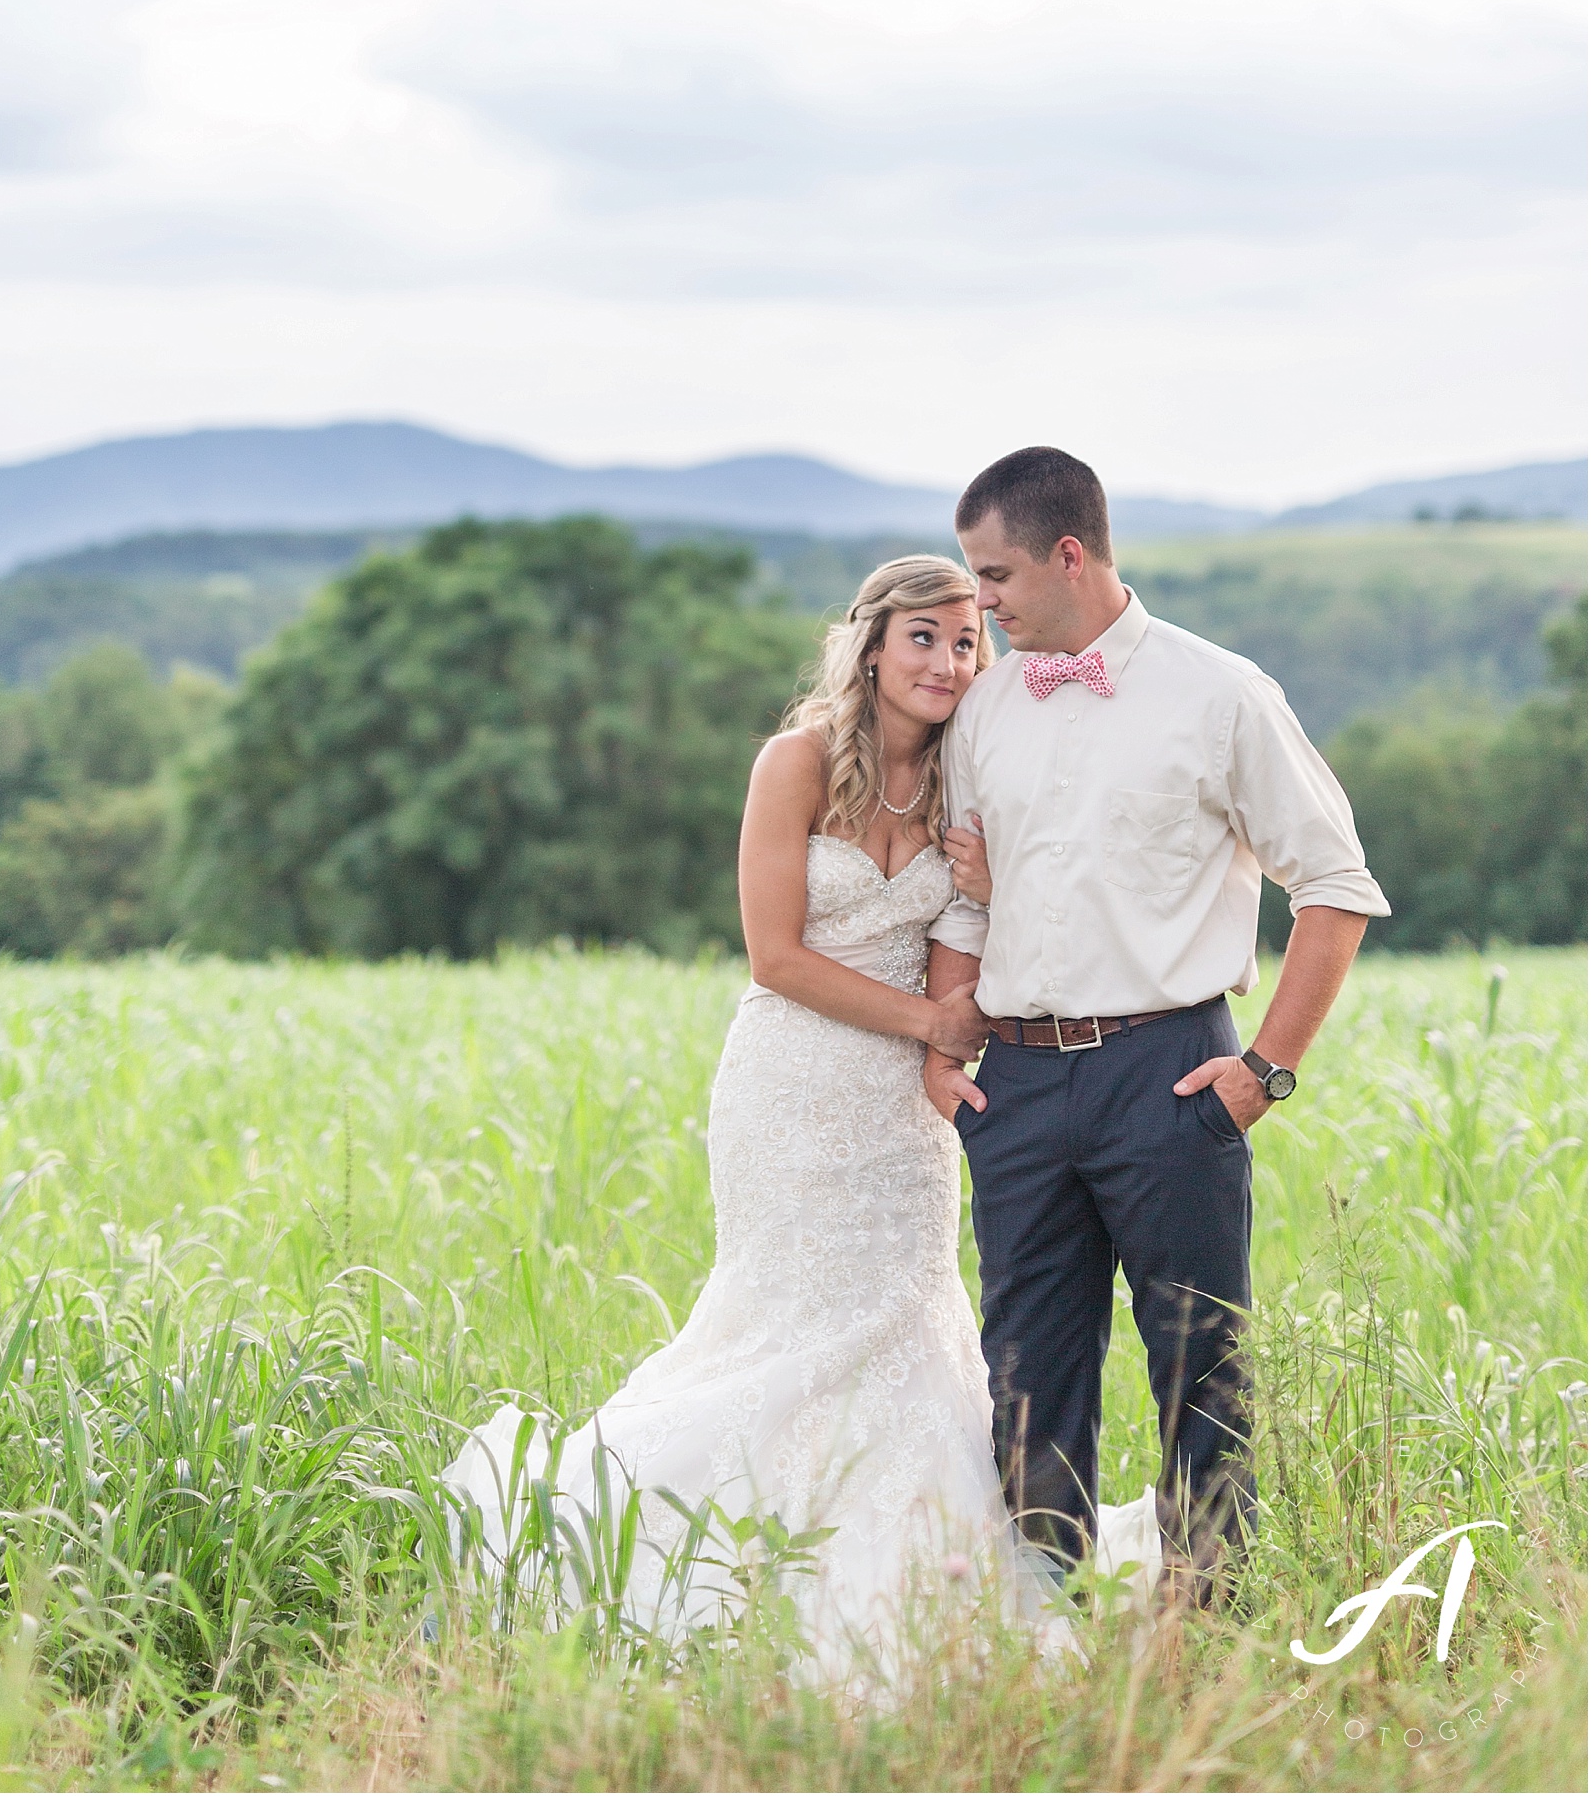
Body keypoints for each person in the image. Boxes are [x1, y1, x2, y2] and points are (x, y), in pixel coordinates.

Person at [446, 553, 1152, 1671]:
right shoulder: (797, 764)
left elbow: (955, 975)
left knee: (902, 1322)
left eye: (968, 640)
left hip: (900, 1120)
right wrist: (927, 1024)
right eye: (925, 636)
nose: (949, 660)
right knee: (786, 1319)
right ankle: (700, 1552)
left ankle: (926, 1577)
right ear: (872, 644)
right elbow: (775, 955)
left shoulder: (969, 788)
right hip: (789, 1089)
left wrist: (981, 885)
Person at [924, 446, 1389, 1593]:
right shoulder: (987, 707)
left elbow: (1335, 886)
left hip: (1171, 1075)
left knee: (1202, 1364)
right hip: (1017, 1086)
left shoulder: (1222, 694)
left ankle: (1210, 1618)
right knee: (1027, 1366)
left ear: (1069, 554)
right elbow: (968, 892)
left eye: (996, 576)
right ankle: (1048, 1619)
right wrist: (947, 1045)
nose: (980, 603)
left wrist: (1262, 1073)